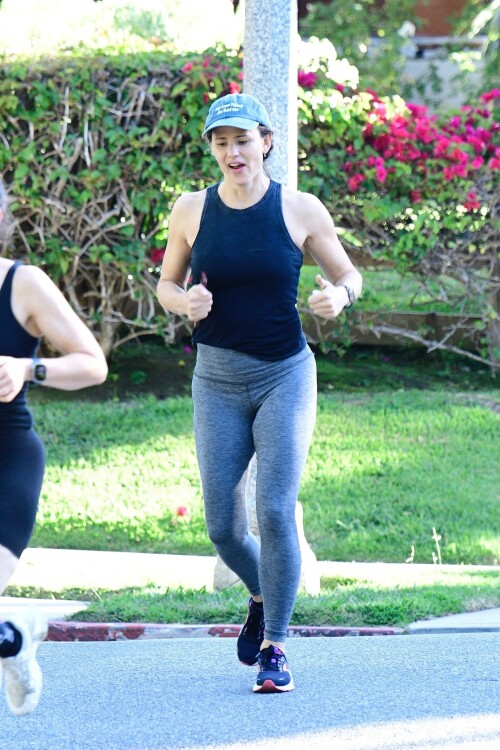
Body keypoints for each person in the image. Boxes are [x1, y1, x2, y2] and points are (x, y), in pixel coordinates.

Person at [157, 93, 362, 694]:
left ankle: (276, 644)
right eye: (221, 142)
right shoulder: (191, 210)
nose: (232, 152)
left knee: (274, 511)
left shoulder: (299, 209)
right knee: (222, 527)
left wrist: (339, 297)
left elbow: (349, 274)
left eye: (242, 140)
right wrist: (183, 302)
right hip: (216, 379)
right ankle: (259, 591)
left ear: (265, 141)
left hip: (284, 374)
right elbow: (167, 284)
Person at [0, 178, 108, 715]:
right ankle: (12, 638)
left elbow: (93, 364)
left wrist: (28, 367)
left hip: (7, 462)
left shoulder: (23, 285)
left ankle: (13, 636)